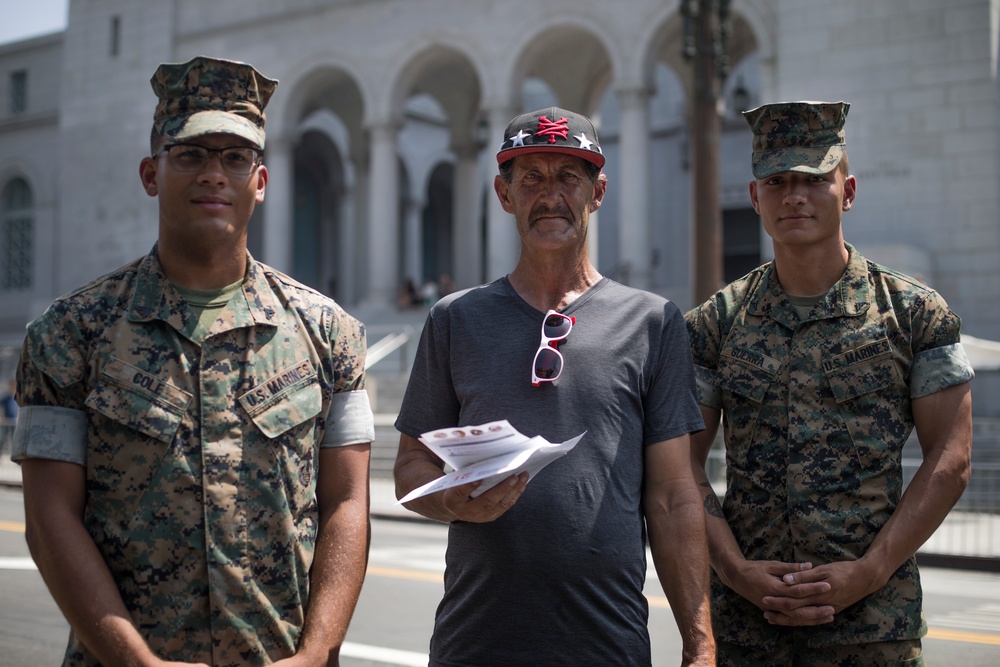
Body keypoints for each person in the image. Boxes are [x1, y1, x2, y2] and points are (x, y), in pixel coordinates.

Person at [12, 56, 374, 666]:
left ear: (260, 182)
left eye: (235, 158)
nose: (214, 174)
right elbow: (49, 520)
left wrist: (315, 655)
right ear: (152, 174)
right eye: (191, 155)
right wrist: (137, 662)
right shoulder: (72, 333)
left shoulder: (329, 332)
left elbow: (347, 504)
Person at [393, 107, 715, 666]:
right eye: (530, 179)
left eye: (569, 176)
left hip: (607, 645)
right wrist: (454, 500)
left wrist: (700, 643)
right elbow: (409, 469)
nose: (550, 195)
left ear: (598, 192)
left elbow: (673, 498)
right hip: (476, 644)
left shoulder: (653, 323)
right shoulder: (455, 319)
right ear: (504, 194)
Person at [684, 101, 974, 666]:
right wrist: (735, 570)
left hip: (872, 629)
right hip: (749, 630)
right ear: (755, 197)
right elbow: (681, 465)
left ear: (849, 190)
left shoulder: (913, 314)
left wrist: (870, 571)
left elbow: (951, 458)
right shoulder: (715, 323)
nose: (794, 196)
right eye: (778, 181)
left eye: (815, 179)